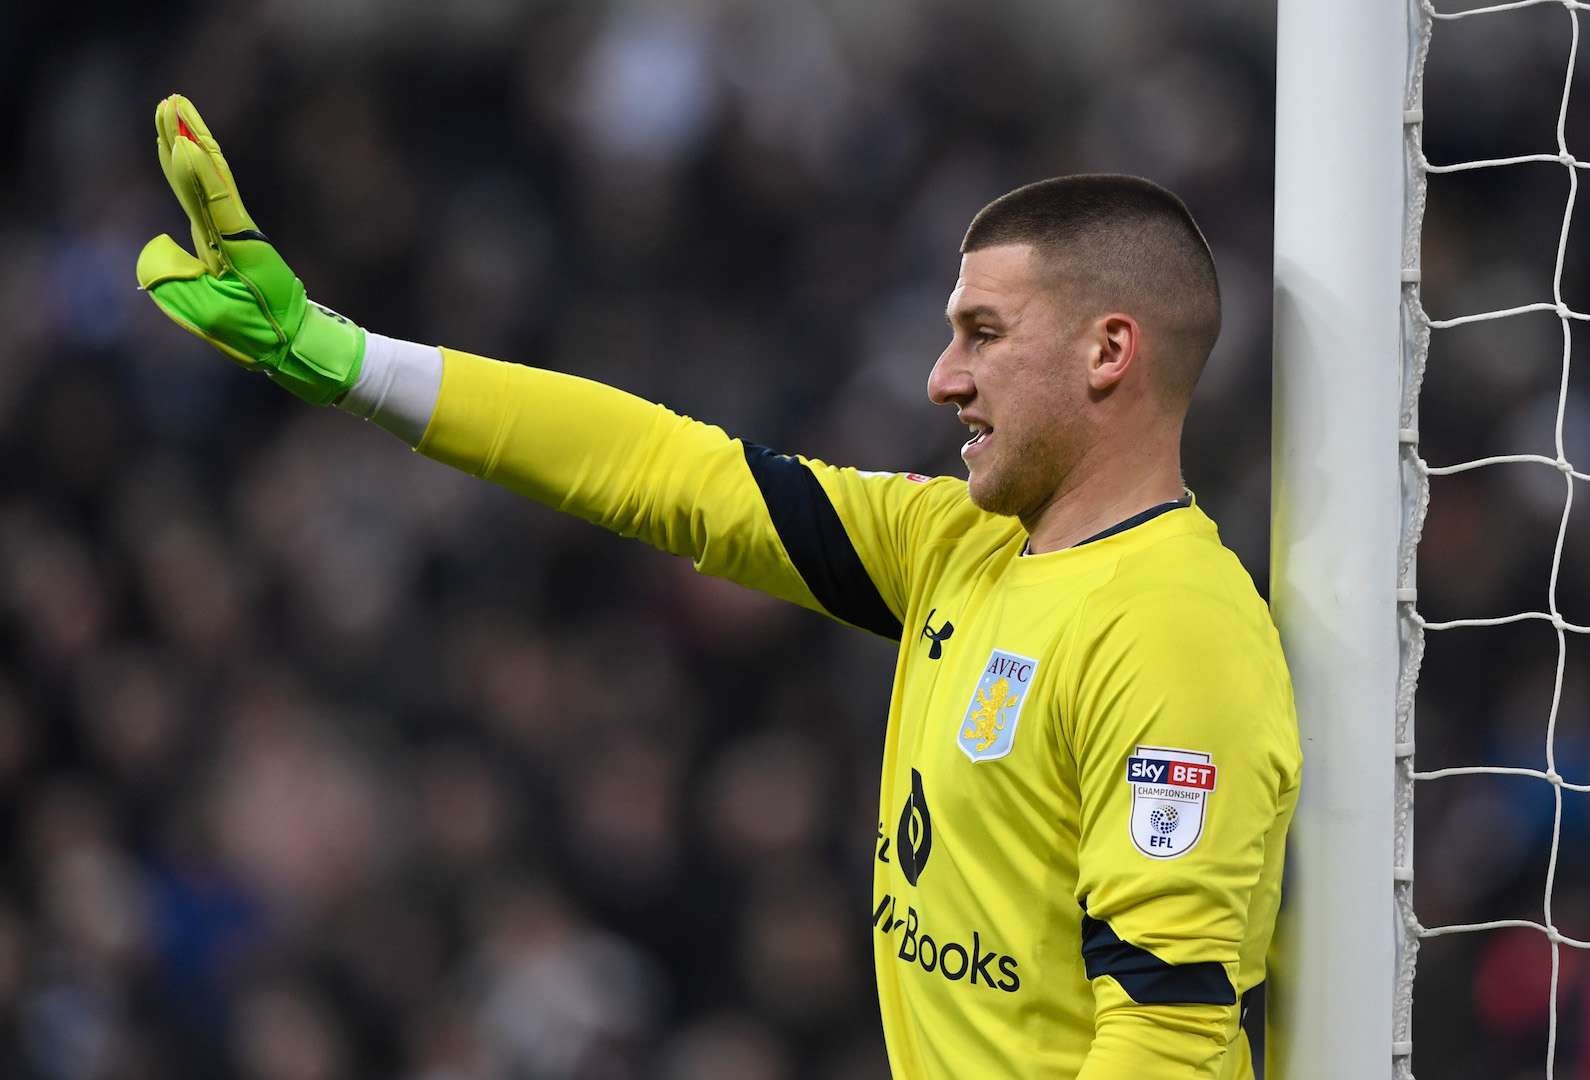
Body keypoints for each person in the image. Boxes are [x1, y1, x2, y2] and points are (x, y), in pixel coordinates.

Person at [136, 93, 1301, 1079]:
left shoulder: (1173, 635)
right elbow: (661, 469)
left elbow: (1167, 1039)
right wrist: (345, 360)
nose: (944, 377)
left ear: (1110, 352)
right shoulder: (957, 547)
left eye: (985, 333)